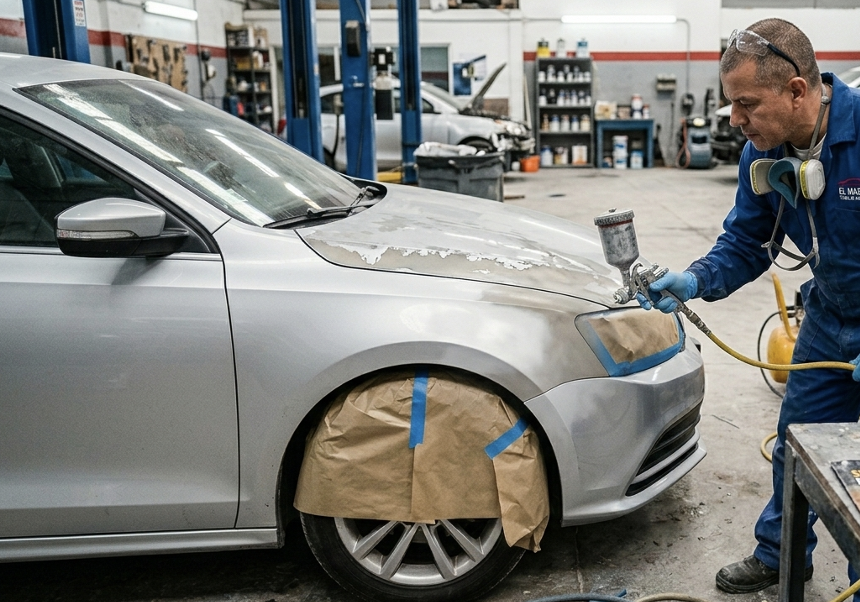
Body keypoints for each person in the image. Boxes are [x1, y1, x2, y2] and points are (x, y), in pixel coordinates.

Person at [638, 18, 860, 594]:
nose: (735, 119)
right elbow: (746, 242)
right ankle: (781, 553)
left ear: (795, 91)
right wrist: (696, 279)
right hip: (829, 320)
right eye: (730, 103)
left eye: (745, 104)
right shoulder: (762, 155)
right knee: (797, 449)